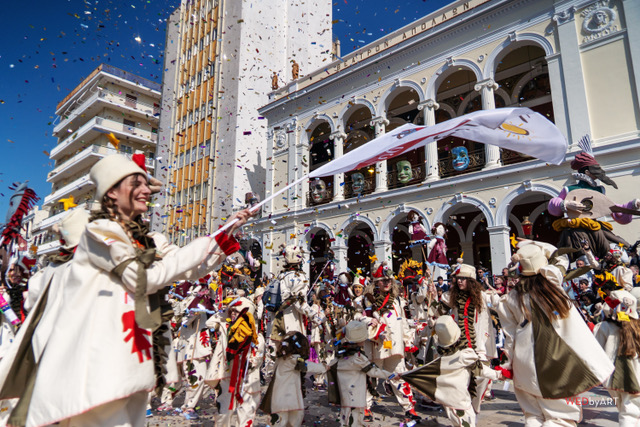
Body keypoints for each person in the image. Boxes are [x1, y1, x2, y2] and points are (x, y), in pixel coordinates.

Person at [8, 155, 252, 427]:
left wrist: (226, 232)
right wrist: (210, 240)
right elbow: (143, 279)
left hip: (136, 356)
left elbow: (188, 267)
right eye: (137, 183)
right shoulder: (100, 232)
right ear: (111, 192)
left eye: (146, 184)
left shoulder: (147, 240)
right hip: (101, 362)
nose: (147, 191)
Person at [498, 243, 614, 426]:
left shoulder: (509, 298)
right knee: (560, 418)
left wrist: (509, 363)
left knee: (533, 416)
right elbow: (560, 257)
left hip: (524, 361)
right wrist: (537, 246)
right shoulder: (551, 280)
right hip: (554, 360)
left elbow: (509, 335)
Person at [358, 273, 421, 421]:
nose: (386, 283)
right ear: (376, 282)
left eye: (389, 280)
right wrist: (368, 320)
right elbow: (356, 316)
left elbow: (403, 321)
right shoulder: (367, 299)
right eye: (383, 280)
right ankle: (366, 408)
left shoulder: (397, 300)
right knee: (372, 376)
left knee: (399, 375)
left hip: (395, 346)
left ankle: (408, 408)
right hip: (377, 345)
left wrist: (407, 340)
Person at [206, 296, 264, 427]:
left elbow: (258, 357)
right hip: (228, 376)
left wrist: (251, 362)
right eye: (231, 311)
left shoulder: (256, 336)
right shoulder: (226, 328)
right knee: (224, 410)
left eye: (236, 311)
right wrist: (223, 311)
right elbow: (209, 323)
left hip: (247, 380)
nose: (233, 313)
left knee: (246, 412)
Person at [328, 320, 398, 427]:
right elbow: (373, 371)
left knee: (347, 418)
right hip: (356, 397)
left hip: (345, 396)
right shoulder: (359, 358)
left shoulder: (341, 355)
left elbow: (329, 366)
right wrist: (391, 375)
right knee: (353, 420)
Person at [259, 331, 326, 427]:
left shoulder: (281, 359)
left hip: (277, 399)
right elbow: (309, 366)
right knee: (292, 422)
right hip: (290, 400)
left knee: (279, 422)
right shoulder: (293, 360)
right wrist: (324, 367)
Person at [594, 290, 640, 426]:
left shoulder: (603, 327)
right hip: (636, 376)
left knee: (624, 409)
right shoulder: (637, 328)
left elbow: (596, 350)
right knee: (631, 412)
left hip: (612, 378)